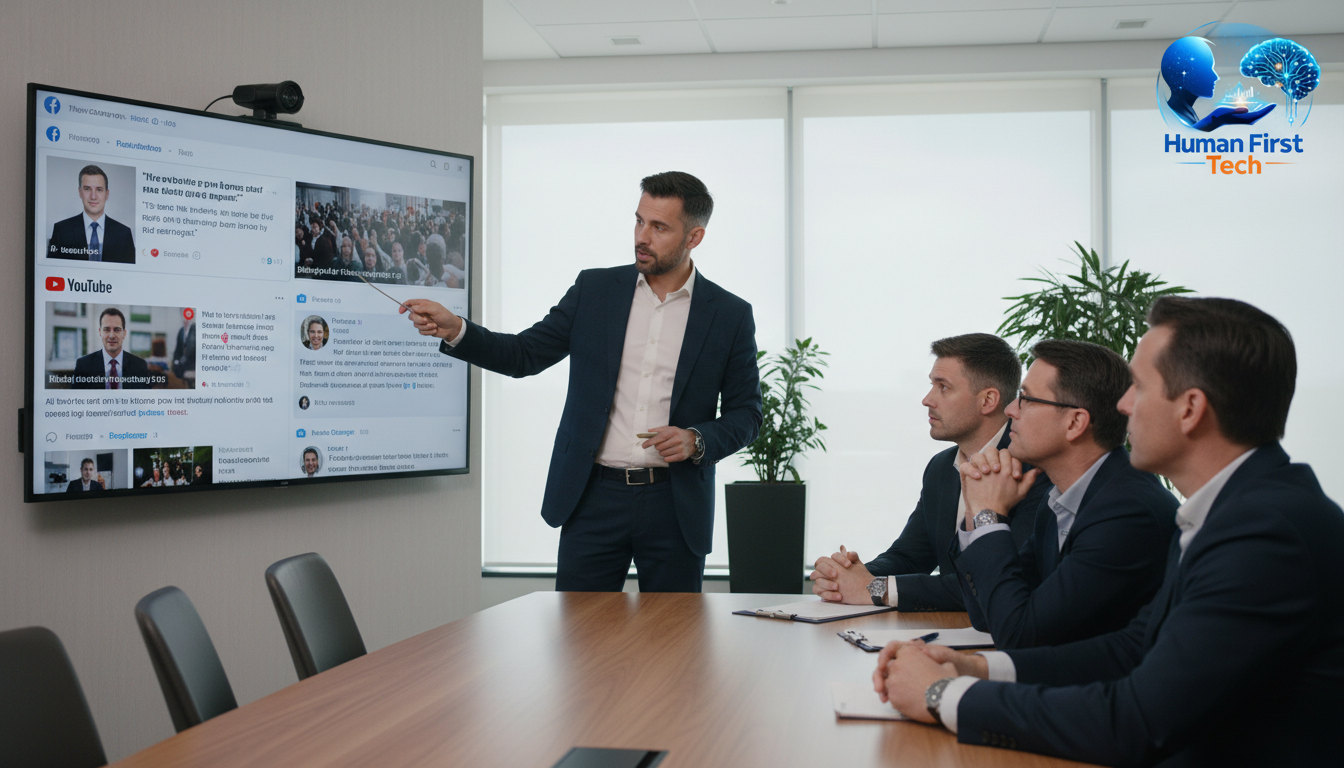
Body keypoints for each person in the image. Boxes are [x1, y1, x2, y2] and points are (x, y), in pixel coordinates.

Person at [873, 297, 1344, 767]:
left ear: (1190, 409)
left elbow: (1134, 722)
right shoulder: (1232, 510)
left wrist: (942, 696)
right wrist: (976, 667)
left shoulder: (1264, 534)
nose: (1121, 404)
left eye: (1138, 386)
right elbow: (1133, 648)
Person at [400, 171, 762, 592]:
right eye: (639, 220)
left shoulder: (730, 315)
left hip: (675, 506)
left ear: (694, 237)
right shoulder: (595, 290)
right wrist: (456, 329)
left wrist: (697, 439)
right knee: (576, 644)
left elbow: (747, 414)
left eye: (659, 227)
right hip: (592, 499)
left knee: (674, 646)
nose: (642, 236)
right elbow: (524, 355)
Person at [949, 339, 1177, 648]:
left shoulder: (1127, 511)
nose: (1010, 409)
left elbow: (1020, 635)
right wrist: (976, 512)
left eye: (1025, 399)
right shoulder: (1058, 499)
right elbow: (988, 616)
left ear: (1075, 423)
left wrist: (989, 515)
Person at [809, 334, 1050, 611]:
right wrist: (848, 575)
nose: (927, 400)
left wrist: (875, 589)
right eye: (931, 385)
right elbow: (909, 556)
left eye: (943, 387)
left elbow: (994, 583)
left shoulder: (1034, 471)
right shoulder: (940, 467)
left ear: (988, 400)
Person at [47, 165, 135, 263]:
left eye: (99, 190)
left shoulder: (124, 233)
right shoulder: (61, 230)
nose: (93, 196)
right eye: (87, 189)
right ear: (80, 192)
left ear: (107, 194)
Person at [72, 308, 153, 389]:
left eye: (117, 330)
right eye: (106, 330)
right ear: (100, 332)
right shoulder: (83, 365)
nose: (112, 336)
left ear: (124, 333)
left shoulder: (139, 366)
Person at [172, 312, 196, 381]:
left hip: (192, 365)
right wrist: (175, 362)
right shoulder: (181, 331)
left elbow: (191, 350)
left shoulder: (195, 330)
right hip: (182, 364)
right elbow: (178, 349)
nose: (185, 321)